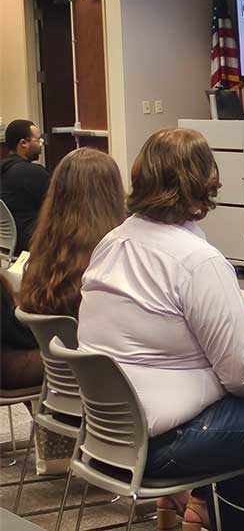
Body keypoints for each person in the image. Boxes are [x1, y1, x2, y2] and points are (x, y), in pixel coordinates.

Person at [78, 128, 244, 531]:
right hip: (165, 445)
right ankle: (215, 512)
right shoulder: (197, 261)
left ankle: (215, 514)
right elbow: (242, 376)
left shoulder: (111, 244)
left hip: (107, 437)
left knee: (240, 407)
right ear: (205, 182)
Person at [16, 148, 125, 473]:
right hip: (108, 396)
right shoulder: (112, 261)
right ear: (111, 194)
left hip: (60, 392)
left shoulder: (41, 253)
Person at [1, 119, 50, 255]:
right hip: (32, 241)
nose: (41, 145)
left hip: (8, 243)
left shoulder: (4, 169)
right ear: (23, 143)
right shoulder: (31, 172)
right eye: (38, 140)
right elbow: (59, 205)